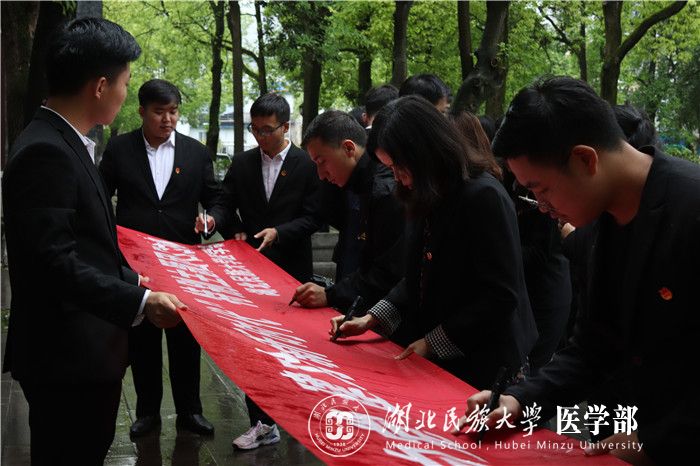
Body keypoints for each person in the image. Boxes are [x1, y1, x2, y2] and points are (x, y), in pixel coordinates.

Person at [463, 76, 700, 465]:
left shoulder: (691, 209)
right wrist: (519, 400)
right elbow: (593, 346)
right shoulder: (596, 228)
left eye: (542, 190)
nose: (541, 207)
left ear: (585, 159)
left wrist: (655, 442)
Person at [2, 18, 183, 465]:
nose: (125, 93)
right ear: (100, 86)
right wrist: (140, 302)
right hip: (66, 360)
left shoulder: (66, 140)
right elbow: (53, 264)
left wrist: (132, 278)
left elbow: (83, 245)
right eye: (125, 83)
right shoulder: (46, 151)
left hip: (83, 354)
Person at [331, 96, 537, 390]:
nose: (397, 177)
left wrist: (432, 342)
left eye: (399, 166)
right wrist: (372, 318)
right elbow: (417, 273)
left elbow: (500, 296)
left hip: (485, 359)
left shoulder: (483, 196)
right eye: (389, 167)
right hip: (439, 349)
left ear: (423, 152)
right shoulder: (422, 191)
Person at [100, 79, 221, 437]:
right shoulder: (120, 149)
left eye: (173, 111)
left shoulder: (196, 153)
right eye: (159, 112)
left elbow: (215, 198)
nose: (167, 119)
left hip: (183, 264)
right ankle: (147, 412)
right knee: (143, 340)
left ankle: (190, 411)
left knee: (186, 340)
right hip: (136, 264)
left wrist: (211, 219)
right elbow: (100, 196)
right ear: (142, 111)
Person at [206, 93, 321, 449]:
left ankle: (298, 414)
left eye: (267, 130)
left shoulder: (307, 164)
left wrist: (280, 232)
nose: (261, 137)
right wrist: (219, 223)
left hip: (291, 271)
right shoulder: (243, 163)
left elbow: (314, 217)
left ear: (286, 127)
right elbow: (225, 204)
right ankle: (262, 422)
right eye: (254, 130)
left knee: (292, 349)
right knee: (254, 349)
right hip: (251, 273)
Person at [292, 111, 405, 313]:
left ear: (349, 148)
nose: (321, 175)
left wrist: (331, 295)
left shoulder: (385, 191)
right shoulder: (353, 181)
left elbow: (388, 271)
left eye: (322, 161)